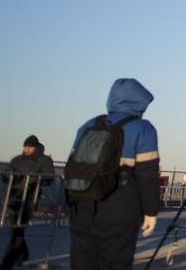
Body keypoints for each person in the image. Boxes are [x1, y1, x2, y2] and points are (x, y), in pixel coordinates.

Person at [68, 78, 161, 270]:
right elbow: (147, 176)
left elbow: (72, 167)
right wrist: (151, 211)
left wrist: (69, 204)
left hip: (84, 207)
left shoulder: (89, 125)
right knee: (115, 263)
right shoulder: (143, 129)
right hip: (120, 208)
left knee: (82, 263)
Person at [0, 135, 55, 269]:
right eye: (25, 146)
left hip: (30, 197)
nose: (27, 149)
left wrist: (33, 179)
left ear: (35, 147)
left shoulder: (44, 160)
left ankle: (8, 260)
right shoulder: (16, 159)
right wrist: (7, 176)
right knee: (16, 229)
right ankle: (21, 256)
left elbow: (49, 177)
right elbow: (7, 172)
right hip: (14, 195)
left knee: (18, 228)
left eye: (30, 146)